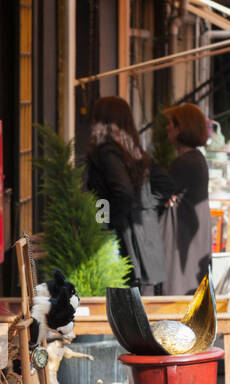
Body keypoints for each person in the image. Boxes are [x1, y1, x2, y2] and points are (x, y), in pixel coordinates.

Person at [85, 95, 171, 292]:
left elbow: (122, 192)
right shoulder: (132, 151)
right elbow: (163, 186)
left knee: (124, 305)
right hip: (140, 241)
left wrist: (107, 225)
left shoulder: (106, 152)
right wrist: (146, 208)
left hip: (122, 241)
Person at [161, 103, 213, 294]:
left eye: (171, 124)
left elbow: (158, 194)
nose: (167, 127)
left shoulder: (185, 162)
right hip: (192, 245)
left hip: (185, 247)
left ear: (181, 127)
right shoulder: (196, 159)